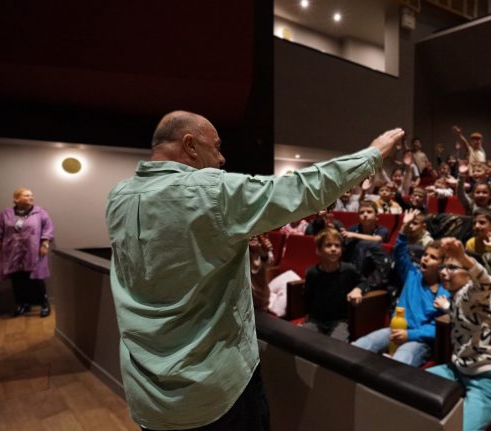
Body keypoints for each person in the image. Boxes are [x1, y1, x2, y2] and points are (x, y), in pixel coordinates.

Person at [105, 110, 402, 431]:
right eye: (216, 147)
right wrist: (373, 153)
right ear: (190, 146)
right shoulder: (209, 189)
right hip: (210, 393)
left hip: (147, 395)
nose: (221, 157)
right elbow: (300, 188)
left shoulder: (118, 196)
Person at [427, 237, 491, 431]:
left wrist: (464, 258)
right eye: (443, 267)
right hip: (458, 371)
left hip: (489, 378)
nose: (444, 273)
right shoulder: (457, 296)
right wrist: (447, 307)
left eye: (452, 268)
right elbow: (462, 313)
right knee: (414, 384)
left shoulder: (474, 293)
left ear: (468, 276)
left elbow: (486, 283)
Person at [351, 209, 450, 366]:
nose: (425, 258)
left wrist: (410, 334)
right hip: (394, 329)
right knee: (361, 345)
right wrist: (404, 226)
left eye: (433, 257)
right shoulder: (412, 274)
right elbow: (400, 252)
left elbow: (436, 328)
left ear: (442, 264)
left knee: (399, 363)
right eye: (425, 254)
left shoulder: (444, 292)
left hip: (419, 340)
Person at [0, 187, 54, 318]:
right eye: (26, 195)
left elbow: (48, 230)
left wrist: (44, 245)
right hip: (12, 253)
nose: (31, 197)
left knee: (36, 280)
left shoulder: (40, 213)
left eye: (31, 195)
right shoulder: (5, 214)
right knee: (17, 280)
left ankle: (44, 304)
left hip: (33, 252)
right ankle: (22, 304)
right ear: (16, 199)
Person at [301, 228, 366, 342]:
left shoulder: (349, 269)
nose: (333, 249)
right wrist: (306, 318)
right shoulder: (312, 273)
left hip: (340, 320)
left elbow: (364, 282)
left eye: (337, 246)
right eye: (328, 245)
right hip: (316, 319)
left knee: (336, 347)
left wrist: (358, 289)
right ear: (318, 250)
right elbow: (307, 297)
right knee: (304, 343)